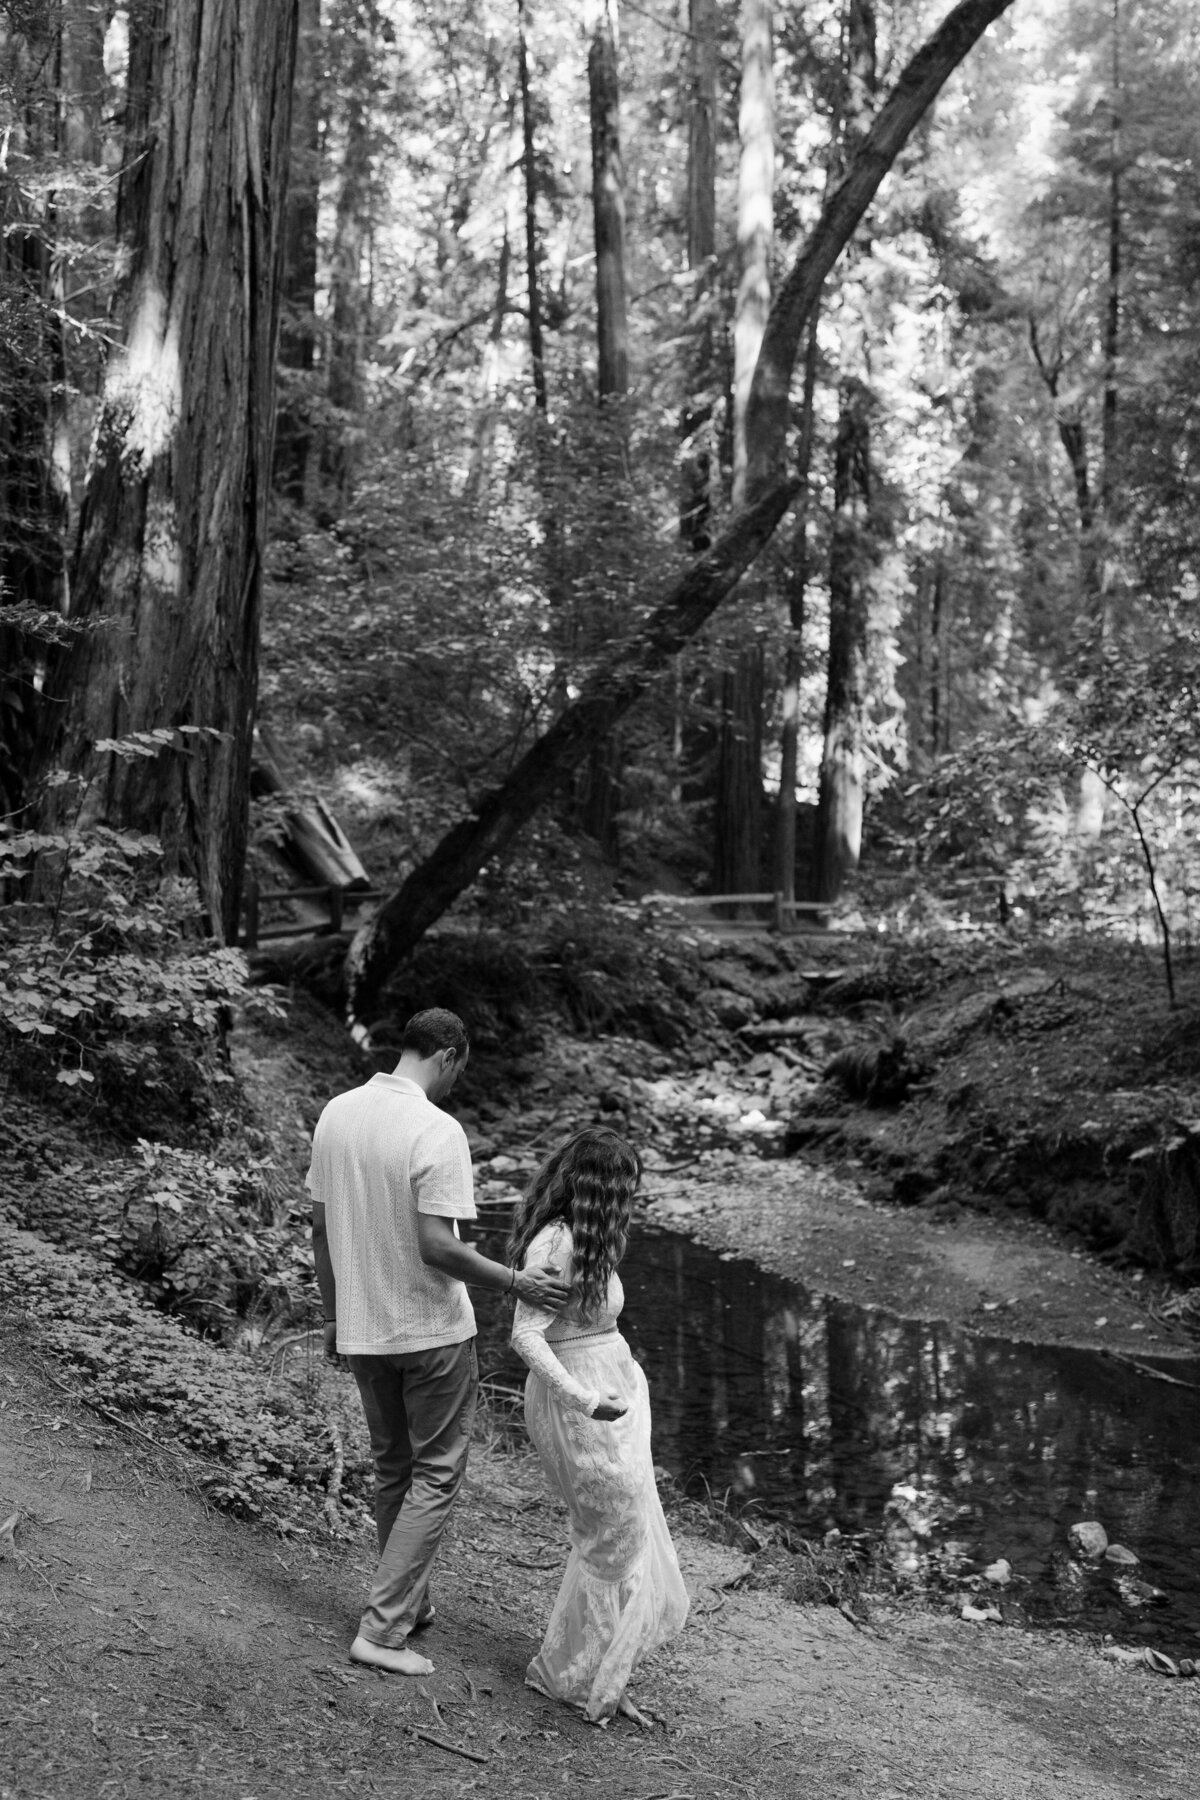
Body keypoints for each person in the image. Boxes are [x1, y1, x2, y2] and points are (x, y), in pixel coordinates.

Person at [309, 1007, 569, 1677]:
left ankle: (408, 1601)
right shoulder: (437, 1128)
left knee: (395, 1467)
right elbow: (437, 1246)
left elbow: (319, 1229)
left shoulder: (337, 1113)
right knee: (436, 1473)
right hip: (429, 1332)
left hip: (365, 1328)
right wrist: (519, 1282)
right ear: (451, 1054)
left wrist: (336, 1317)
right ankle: (383, 1629)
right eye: (463, 1068)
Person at [508, 1126, 690, 1726]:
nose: (632, 1204)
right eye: (627, 1193)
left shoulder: (588, 1236)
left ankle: (594, 1669)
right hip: (577, 1405)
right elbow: (526, 1336)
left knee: (623, 1527)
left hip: (611, 1394)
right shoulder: (556, 1245)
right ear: (599, 1192)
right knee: (612, 1535)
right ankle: (588, 1674)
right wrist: (585, 1399)